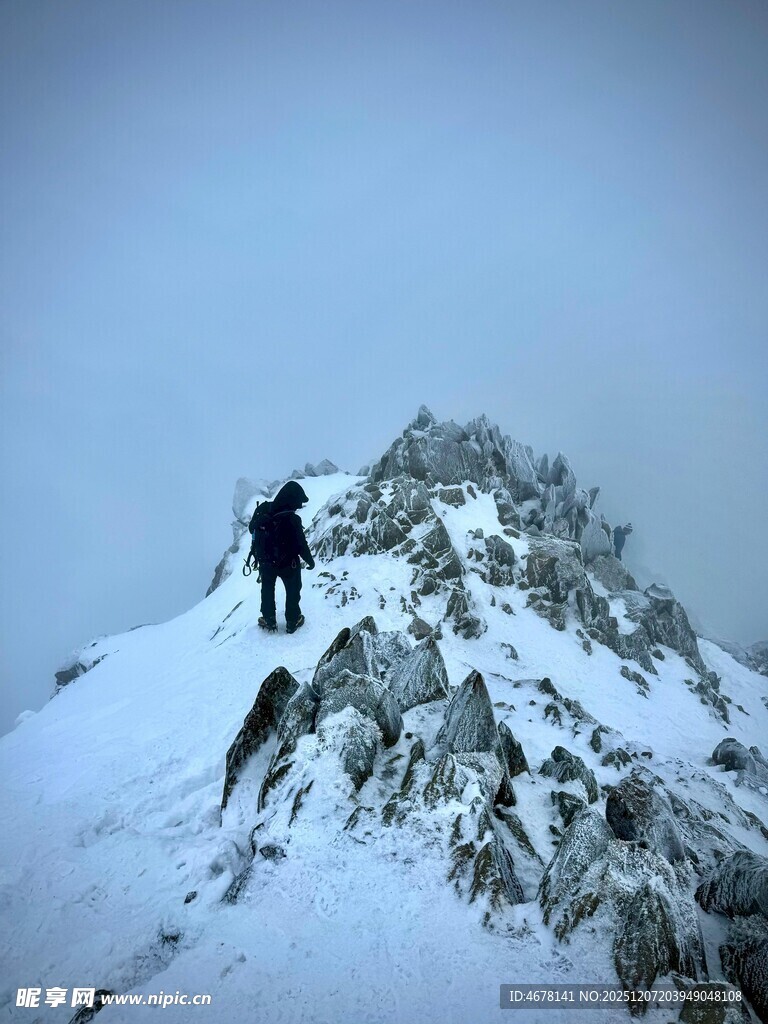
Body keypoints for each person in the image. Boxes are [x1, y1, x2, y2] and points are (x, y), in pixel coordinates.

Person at [251, 480, 315, 633]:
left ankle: (269, 619)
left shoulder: (263, 509)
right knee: (293, 589)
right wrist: (310, 561)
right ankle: (293, 620)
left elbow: (251, 528)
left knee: (267, 589)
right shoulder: (293, 519)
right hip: (289, 564)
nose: (299, 506)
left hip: (266, 562)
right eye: (298, 502)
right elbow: (301, 544)